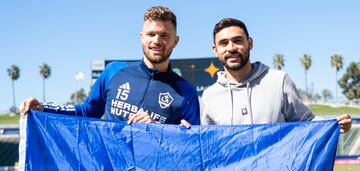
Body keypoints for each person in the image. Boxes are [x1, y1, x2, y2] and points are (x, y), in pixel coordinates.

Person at [20, 6, 200, 127]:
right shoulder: (114, 71)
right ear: (141, 37)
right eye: (151, 34)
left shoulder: (186, 93)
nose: (156, 41)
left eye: (164, 35)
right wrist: (44, 108)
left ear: (175, 41)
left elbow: (189, 148)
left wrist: (157, 130)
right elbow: (87, 111)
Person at [201, 18, 352, 133]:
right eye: (224, 43)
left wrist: (333, 124)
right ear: (215, 49)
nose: (231, 48)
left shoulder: (278, 81)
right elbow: (207, 144)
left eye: (237, 41)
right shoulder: (209, 96)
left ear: (250, 43)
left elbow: (306, 121)